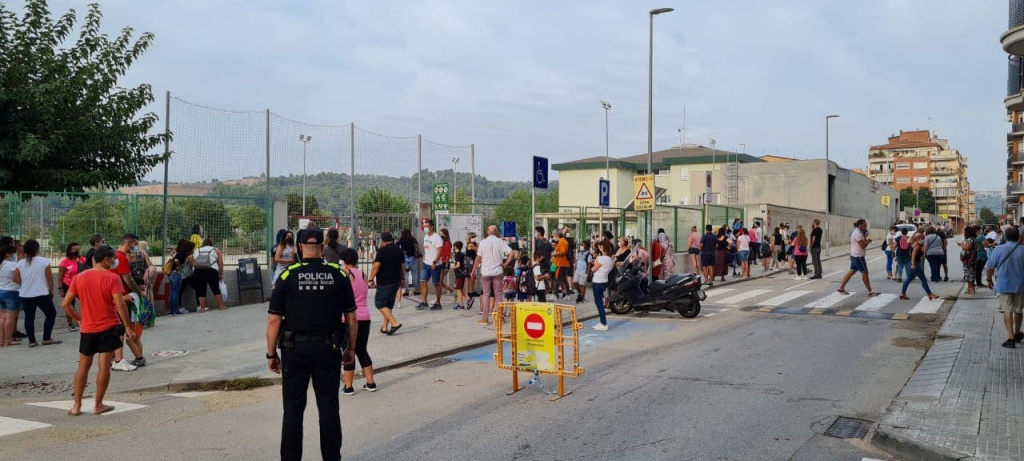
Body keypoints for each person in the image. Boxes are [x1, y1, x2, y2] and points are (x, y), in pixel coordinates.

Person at [266, 226, 357, 460]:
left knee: (293, 411)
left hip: (294, 350)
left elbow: (274, 319)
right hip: (329, 349)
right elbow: (352, 317)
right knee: (328, 408)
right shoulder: (338, 274)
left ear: (299, 247)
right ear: (323, 248)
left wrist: (270, 354)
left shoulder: (287, 275)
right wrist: (351, 349)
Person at [60, 245, 135, 416]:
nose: (115, 261)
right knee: (104, 367)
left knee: (83, 367)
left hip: (87, 329)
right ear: (107, 260)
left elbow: (65, 304)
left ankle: (76, 406)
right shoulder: (112, 278)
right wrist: (128, 327)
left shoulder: (79, 277)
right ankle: (98, 405)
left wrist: (79, 319)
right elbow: (120, 304)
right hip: (108, 327)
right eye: (114, 258)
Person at [339, 248, 376, 395]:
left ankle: (348, 386)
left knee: (349, 351)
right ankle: (371, 382)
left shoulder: (346, 273)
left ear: (345, 261)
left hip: (348, 318)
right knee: (362, 350)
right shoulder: (363, 274)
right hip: (365, 316)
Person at [14, 239, 60, 348]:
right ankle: (46, 338)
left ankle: (32, 341)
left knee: (29, 317)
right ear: (37, 249)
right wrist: (51, 291)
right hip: (41, 294)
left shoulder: (20, 263)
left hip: (25, 294)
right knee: (51, 314)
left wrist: (24, 284)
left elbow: (15, 279)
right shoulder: (44, 261)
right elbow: (49, 278)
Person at [985, 226, 1024, 349]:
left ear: (1005, 237)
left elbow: (990, 267)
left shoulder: (998, 249)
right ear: (1018, 237)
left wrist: (988, 280)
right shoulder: (1023, 250)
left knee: (1007, 310)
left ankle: (1010, 337)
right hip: (1020, 285)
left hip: (1004, 285)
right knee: (1018, 310)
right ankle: (1017, 333)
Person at [109, 234, 144, 369]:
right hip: (122, 298)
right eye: (135, 244)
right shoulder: (121, 258)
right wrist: (139, 292)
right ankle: (119, 359)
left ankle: (115, 357)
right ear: (128, 244)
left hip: (118, 297)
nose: (136, 247)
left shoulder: (117, 257)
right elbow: (127, 278)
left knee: (119, 329)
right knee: (122, 329)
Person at [475, 225, 514, 325]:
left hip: (486, 272)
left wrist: (473, 270)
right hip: (497, 271)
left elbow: (478, 258)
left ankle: (485, 318)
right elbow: (511, 253)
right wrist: (505, 264)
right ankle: (501, 317)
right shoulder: (500, 242)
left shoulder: (483, 242)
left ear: (488, 232)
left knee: (486, 294)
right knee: (498, 295)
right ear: (496, 232)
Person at [368, 232, 404, 335]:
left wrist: (371, 279)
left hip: (384, 282)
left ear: (382, 241)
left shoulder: (382, 251)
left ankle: (395, 323)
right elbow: (402, 266)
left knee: (380, 303)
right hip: (396, 281)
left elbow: (376, 266)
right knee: (388, 305)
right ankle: (384, 327)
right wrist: (403, 279)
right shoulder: (399, 250)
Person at [837, 220, 880, 297]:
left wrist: (866, 241)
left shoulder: (858, 232)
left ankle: (841, 288)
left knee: (852, 271)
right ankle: (870, 291)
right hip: (858, 257)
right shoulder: (857, 234)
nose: (866, 226)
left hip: (855, 255)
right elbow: (863, 246)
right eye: (864, 224)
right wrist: (867, 241)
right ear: (860, 225)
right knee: (865, 272)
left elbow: (863, 245)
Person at [900, 228, 939, 301]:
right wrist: (913, 264)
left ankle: (903, 293)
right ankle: (930, 294)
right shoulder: (917, 245)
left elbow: (919, 249)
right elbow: (913, 255)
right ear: (919, 239)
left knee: (909, 279)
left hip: (911, 263)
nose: (923, 239)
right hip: (915, 264)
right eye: (922, 238)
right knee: (923, 279)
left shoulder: (914, 244)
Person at [57, 243, 86, 332]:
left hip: (81, 285)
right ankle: (71, 324)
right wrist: (60, 288)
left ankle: (85, 321)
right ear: (69, 250)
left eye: (78, 249)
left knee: (86, 303)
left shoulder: (83, 259)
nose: (76, 251)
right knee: (69, 305)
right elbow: (60, 276)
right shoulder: (64, 262)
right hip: (68, 286)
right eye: (74, 249)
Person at [192, 238, 227, 312]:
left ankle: (202, 308)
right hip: (211, 270)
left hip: (198, 271)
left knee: (201, 290)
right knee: (215, 289)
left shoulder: (197, 250)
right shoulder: (216, 250)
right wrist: (220, 273)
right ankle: (221, 306)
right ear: (211, 244)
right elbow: (220, 263)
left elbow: (194, 262)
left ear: (203, 244)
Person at [418, 220, 445, 310]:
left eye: (427, 226)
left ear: (432, 227)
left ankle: (438, 303)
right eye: (424, 225)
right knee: (423, 282)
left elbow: (440, 251)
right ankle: (424, 302)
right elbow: (426, 249)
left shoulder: (437, 238)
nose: (425, 227)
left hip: (435, 265)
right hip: (426, 264)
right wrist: (425, 257)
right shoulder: (426, 236)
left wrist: (434, 262)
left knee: (436, 284)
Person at [590, 241, 615, 331]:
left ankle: (603, 323)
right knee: (600, 301)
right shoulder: (610, 259)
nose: (599, 247)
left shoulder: (601, 258)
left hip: (598, 281)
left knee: (599, 302)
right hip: (604, 280)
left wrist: (595, 261)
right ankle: (602, 322)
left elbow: (593, 269)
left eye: (600, 246)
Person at [0, 245, 21, 346]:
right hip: (11, 292)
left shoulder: (1, 264)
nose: (14, 255)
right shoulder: (12, 264)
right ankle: (8, 340)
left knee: (2, 317)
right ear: (8, 254)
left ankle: (1, 340)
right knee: (10, 318)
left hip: (1, 291)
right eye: (13, 253)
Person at [167, 240, 195, 316]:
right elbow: (176, 260)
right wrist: (179, 267)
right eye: (193, 248)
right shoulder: (182, 253)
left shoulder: (179, 253)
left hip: (172, 274)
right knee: (175, 293)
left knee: (173, 292)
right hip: (176, 274)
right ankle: (175, 310)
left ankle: (172, 311)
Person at [397, 229, 420, 297]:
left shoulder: (402, 239)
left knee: (406, 274)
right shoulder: (413, 239)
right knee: (415, 274)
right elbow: (417, 247)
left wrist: (402, 251)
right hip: (413, 257)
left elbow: (396, 245)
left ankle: (406, 291)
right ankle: (417, 290)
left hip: (405, 258)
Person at [551, 230, 572, 299]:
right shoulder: (564, 241)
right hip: (562, 263)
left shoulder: (561, 241)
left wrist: (554, 254)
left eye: (554, 235)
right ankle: (568, 294)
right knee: (563, 279)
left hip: (560, 263)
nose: (553, 237)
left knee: (556, 278)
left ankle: (555, 294)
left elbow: (563, 252)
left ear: (556, 235)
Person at [959, 226, 978, 295]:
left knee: (970, 273)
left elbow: (967, 248)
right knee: (968, 273)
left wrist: (961, 245)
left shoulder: (971, 239)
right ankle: (969, 288)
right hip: (968, 259)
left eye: (965, 232)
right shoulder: (971, 239)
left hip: (969, 259)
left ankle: (971, 288)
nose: (964, 233)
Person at [437, 228, 455, 299]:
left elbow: (448, 255)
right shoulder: (442, 242)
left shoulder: (447, 243)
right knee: (439, 282)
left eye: (441, 233)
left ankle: (438, 298)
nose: (439, 235)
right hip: (441, 262)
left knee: (439, 282)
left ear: (445, 234)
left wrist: (446, 266)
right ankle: (452, 292)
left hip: (444, 263)